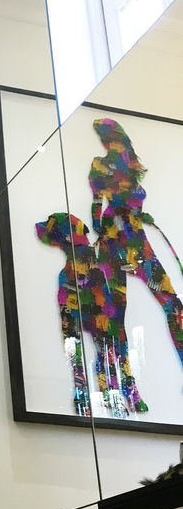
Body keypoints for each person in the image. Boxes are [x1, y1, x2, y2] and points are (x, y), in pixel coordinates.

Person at [89, 118, 183, 368]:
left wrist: (139, 216)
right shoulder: (100, 165)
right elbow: (97, 203)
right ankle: (122, 378)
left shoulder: (130, 167)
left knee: (171, 302)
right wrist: (101, 230)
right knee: (116, 310)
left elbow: (125, 204)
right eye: (109, 138)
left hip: (135, 239)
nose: (114, 143)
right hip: (117, 241)